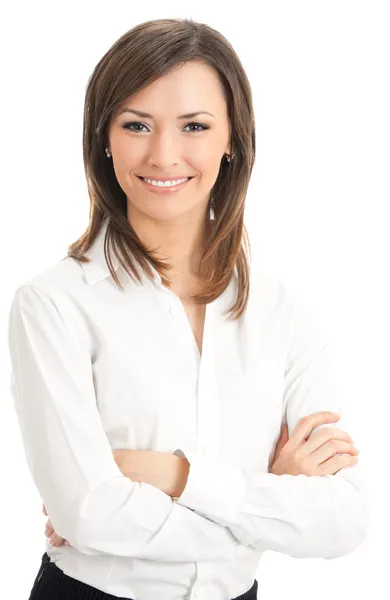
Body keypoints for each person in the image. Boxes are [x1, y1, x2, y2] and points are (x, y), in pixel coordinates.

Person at [7, 17, 369, 600]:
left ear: (232, 140)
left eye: (194, 125)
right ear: (104, 137)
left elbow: (344, 519)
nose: (164, 154)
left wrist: (168, 474)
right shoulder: (53, 305)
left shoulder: (287, 316)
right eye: (136, 124)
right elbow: (89, 515)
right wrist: (268, 504)